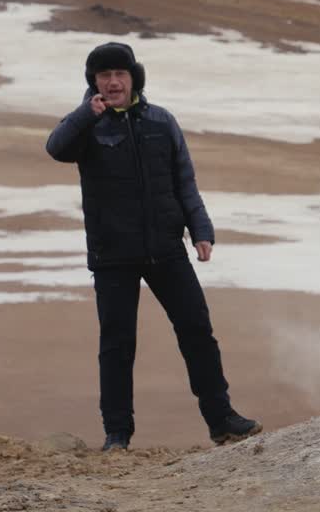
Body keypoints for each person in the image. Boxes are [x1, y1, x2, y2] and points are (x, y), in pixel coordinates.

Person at [45, 41, 260, 451]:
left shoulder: (161, 122)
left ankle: (222, 420)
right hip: (113, 253)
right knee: (117, 344)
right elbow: (56, 148)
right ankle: (117, 435)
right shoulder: (85, 126)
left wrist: (201, 229)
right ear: (93, 82)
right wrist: (83, 115)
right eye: (103, 75)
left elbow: (184, 181)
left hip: (165, 247)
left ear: (133, 78)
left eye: (119, 74)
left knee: (197, 330)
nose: (111, 82)